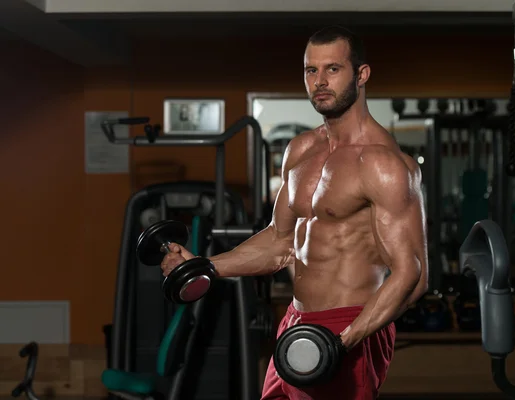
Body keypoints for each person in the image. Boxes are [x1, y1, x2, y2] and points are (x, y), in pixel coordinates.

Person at [160, 25, 429, 400]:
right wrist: (207, 265)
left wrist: (341, 341)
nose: (320, 81)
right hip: (296, 322)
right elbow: (280, 241)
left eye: (333, 69)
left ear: (362, 74)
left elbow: (413, 275)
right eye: (310, 70)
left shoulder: (382, 164)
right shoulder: (301, 150)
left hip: (346, 327)